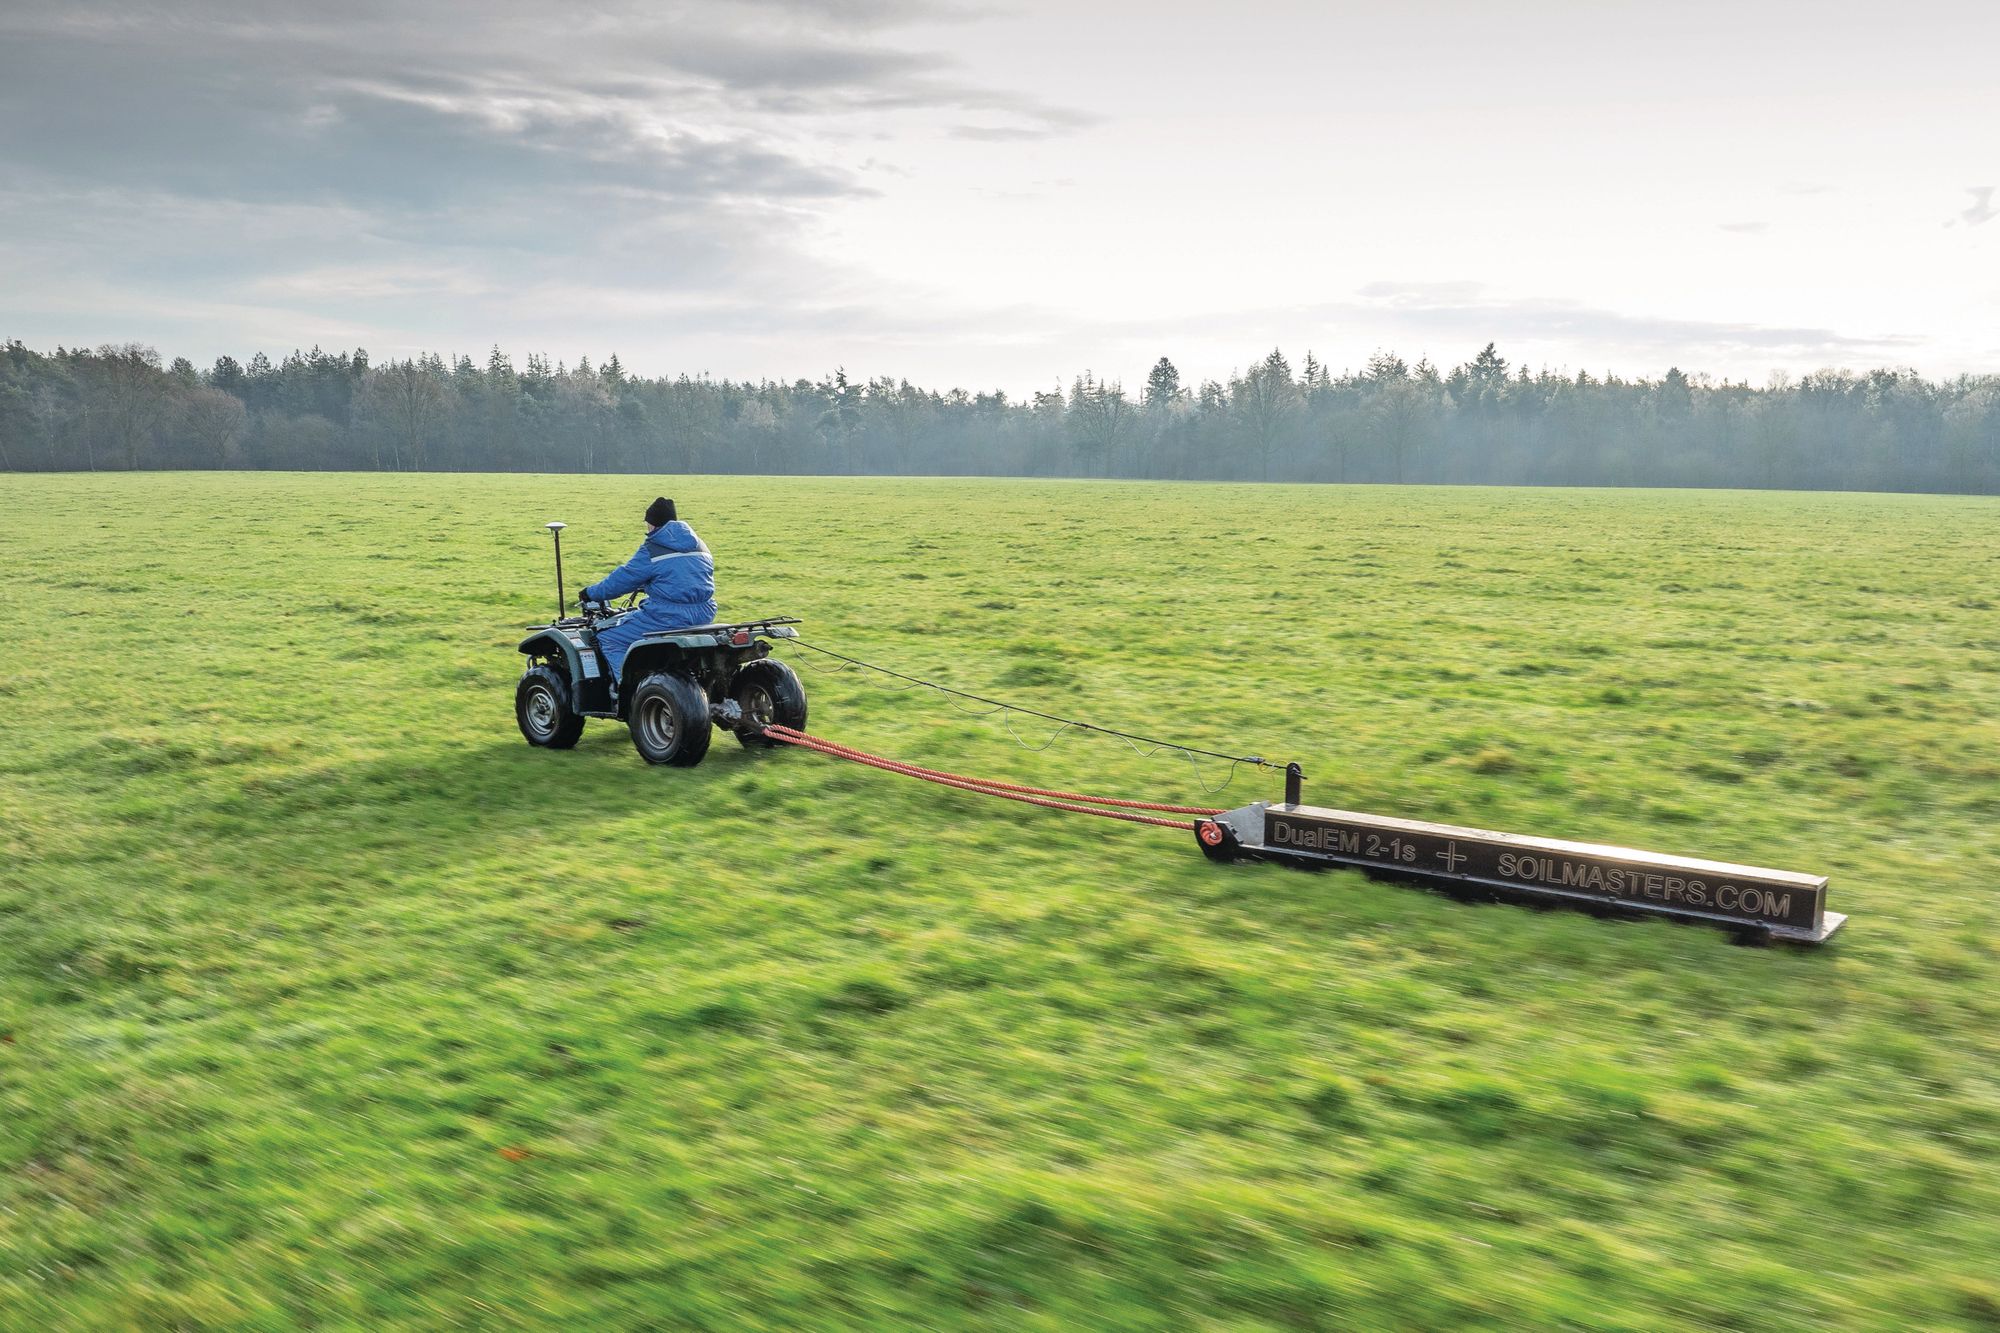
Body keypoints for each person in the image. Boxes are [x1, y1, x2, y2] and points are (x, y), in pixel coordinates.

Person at [580, 496, 718, 678]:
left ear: (653, 524)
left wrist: (590, 593)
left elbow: (623, 579)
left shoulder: (653, 547)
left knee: (609, 638)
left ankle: (627, 692)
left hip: (667, 616)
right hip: (705, 613)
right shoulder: (700, 545)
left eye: (648, 524)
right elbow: (684, 580)